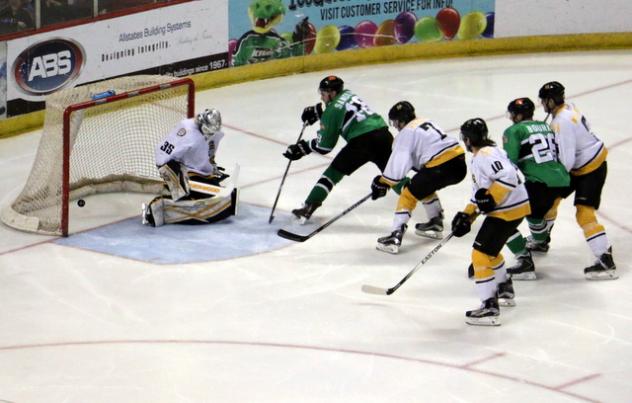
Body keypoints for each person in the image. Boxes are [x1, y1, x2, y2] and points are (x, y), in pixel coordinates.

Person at [451, 118, 530, 326]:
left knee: (479, 255)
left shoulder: (484, 156)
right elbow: (480, 194)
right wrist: (467, 215)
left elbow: (508, 177)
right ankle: (504, 288)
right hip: (517, 207)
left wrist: (492, 198)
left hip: (506, 210)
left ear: (467, 139)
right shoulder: (489, 152)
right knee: (490, 251)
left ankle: (489, 307)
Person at [283, 75, 393, 222]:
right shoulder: (348, 93)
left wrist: (303, 147)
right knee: (394, 176)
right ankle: (426, 202)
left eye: (323, 94)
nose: (321, 97)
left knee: (332, 174)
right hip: (383, 134)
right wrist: (320, 113)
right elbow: (343, 111)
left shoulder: (331, 112)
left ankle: (309, 206)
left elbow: (324, 146)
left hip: (362, 142)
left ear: (332, 93)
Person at [538, 81, 617, 280]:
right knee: (551, 201)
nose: (542, 105)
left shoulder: (560, 122)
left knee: (584, 214)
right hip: (582, 164)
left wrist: (551, 178)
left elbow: (567, 160)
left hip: (591, 168)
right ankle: (541, 240)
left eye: (543, 101)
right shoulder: (568, 107)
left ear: (550, 100)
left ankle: (605, 260)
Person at [371, 101, 466, 254]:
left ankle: (395, 236)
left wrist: (383, 182)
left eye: (395, 121)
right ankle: (435, 222)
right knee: (423, 186)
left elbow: (398, 164)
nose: (395, 125)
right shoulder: (424, 122)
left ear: (401, 120)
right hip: (459, 164)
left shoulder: (407, 132)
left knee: (408, 193)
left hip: (441, 166)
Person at [500, 97, 570, 280]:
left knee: (502, 219)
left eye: (513, 114)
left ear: (519, 115)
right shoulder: (545, 126)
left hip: (539, 181)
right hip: (560, 180)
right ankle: (540, 242)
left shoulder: (514, 131)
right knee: (534, 214)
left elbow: (509, 164)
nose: (511, 117)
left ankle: (524, 262)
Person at [142, 108, 238, 227]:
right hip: (182, 170)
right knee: (190, 196)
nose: (209, 134)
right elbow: (162, 153)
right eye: (207, 130)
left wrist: (212, 168)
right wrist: (171, 175)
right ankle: (160, 206)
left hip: (199, 173)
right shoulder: (186, 130)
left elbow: (210, 153)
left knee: (216, 198)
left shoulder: (216, 133)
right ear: (201, 122)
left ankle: (180, 198)